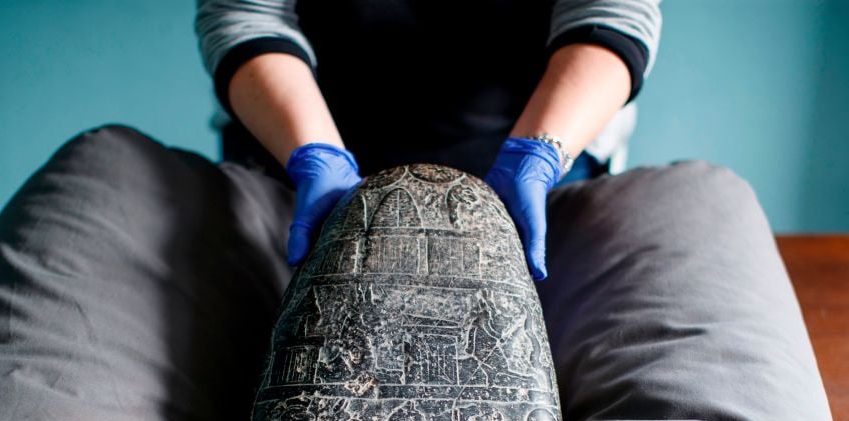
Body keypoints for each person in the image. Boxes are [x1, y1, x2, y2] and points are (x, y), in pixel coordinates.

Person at [195, 0, 661, 280]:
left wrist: (538, 155)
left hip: (536, 148)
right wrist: (313, 154)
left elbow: (612, 12)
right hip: (301, 151)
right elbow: (246, 15)